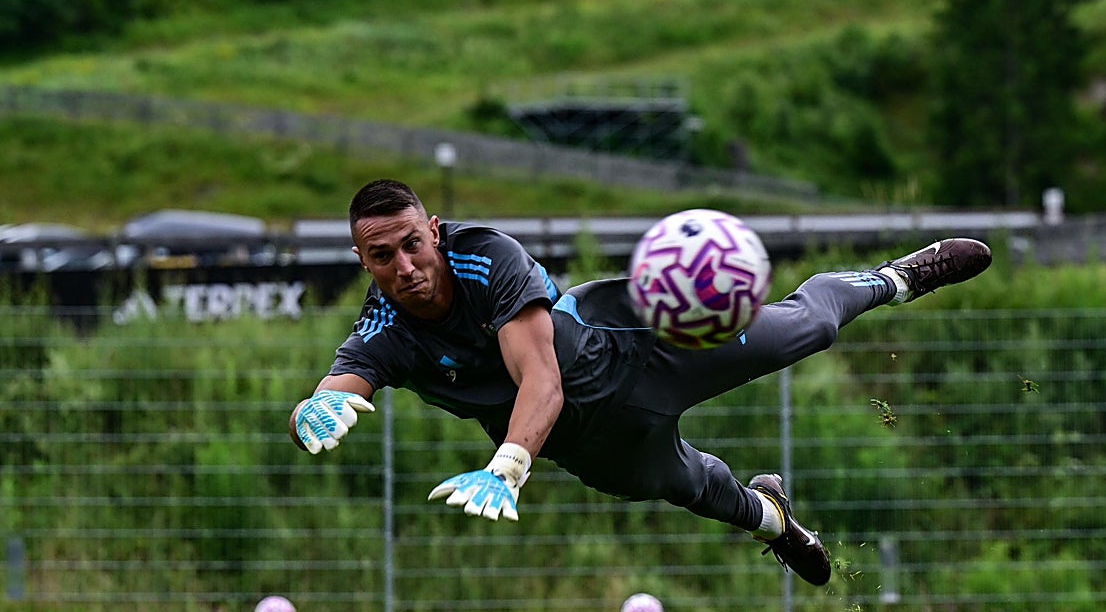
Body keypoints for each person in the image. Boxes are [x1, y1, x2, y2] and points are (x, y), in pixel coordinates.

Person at [290, 179, 992, 587]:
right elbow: (345, 378)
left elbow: (541, 377)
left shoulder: (486, 258)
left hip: (642, 349)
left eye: (413, 243)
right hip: (591, 445)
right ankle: (776, 518)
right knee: (696, 490)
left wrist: (505, 466)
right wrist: (316, 408)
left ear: (434, 231)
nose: (405, 265)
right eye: (382, 255)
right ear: (362, 259)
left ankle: (894, 278)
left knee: (805, 332)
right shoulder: (385, 325)